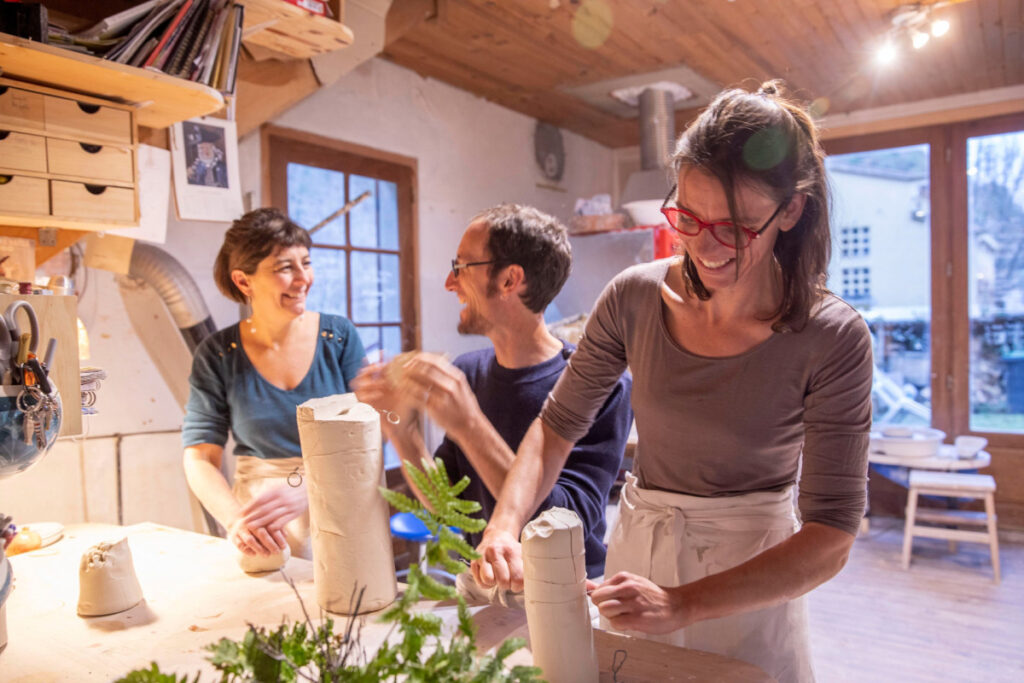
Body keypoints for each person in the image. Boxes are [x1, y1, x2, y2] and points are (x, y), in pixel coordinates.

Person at [472, 82, 873, 683]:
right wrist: (504, 524)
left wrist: (684, 602)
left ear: (790, 211)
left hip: (752, 568)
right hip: (642, 551)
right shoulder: (634, 296)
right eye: (688, 216)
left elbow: (831, 534)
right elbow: (557, 428)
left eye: (734, 228)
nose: (704, 247)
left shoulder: (831, 336)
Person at [353, 204, 632, 578]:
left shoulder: (596, 386)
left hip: (568, 587)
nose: (450, 284)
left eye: (461, 268)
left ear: (508, 281)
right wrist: (400, 428)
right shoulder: (469, 371)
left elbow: (564, 529)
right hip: (486, 583)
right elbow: (447, 507)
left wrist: (470, 424)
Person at [182, 208, 366, 560]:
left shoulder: (338, 337)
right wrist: (236, 521)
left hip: (340, 498)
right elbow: (201, 456)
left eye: (306, 263)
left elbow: (373, 432)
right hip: (263, 521)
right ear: (244, 281)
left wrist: (310, 484)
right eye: (285, 267)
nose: (303, 279)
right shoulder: (218, 355)